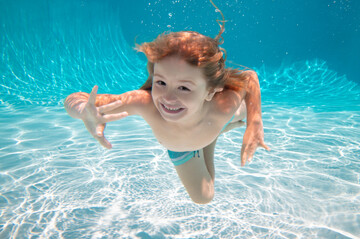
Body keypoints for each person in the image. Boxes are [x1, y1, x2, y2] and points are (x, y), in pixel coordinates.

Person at [64, 3, 270, 204]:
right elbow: (75, 98)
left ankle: (213, 134)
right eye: (161, 82)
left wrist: (255, 122)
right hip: (183, 144)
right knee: (204, 197)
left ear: (210, 91)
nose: (168, 98)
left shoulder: (223, 104)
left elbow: (249, 77)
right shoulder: (144, 102)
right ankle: (211, 137)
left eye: (184, 88)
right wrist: (83, 110)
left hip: (217, 119)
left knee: (242, 113)